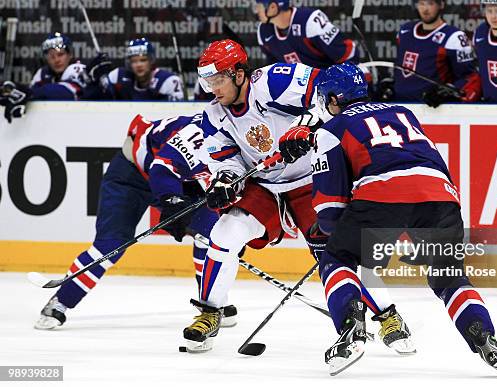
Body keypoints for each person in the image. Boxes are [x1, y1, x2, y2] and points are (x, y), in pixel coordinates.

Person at [182, 39, 414, 354]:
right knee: (225, 231)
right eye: (208, 81)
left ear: (239, 73)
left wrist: (304, 126)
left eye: (218, 79)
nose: (213, 88)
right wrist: (225, 180)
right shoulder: (213, 114)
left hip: (309, 180)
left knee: (336, 250)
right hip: (264, 186)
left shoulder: (273, 80)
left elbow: (326, 88)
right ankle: (211, 312)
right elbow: (225, 159)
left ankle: (387, 315)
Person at [287, 62, 497, 376]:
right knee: (449, 278)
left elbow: (329, 213)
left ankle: (351, 328)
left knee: (335, 257)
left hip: (382, 195)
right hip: (441, 197)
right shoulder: (403, 113)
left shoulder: (331, 129)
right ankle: (487, 339)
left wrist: (342, 238)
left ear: (332, 99)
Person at [34, 114, 237, 330]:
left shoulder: (237, 139)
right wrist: (172, 201)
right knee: (110, 244)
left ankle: (211, 306)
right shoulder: (201, 135)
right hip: (131, 175)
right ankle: (60, 301)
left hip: (181, 178)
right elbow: (162, 169)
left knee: (211, 234)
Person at [392, 0, 481, 106]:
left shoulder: (454, 37)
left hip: (433, 111)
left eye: (430, 3)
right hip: (399, 106)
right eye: (421, 3)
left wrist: (447, 92)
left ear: (441, 5)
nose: (425, 9)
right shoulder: (405, 31)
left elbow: (469, 78)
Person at [1, 33, 93, 123]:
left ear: (70, 55)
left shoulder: (78, 68)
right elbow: (29, 94)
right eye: (51, 56)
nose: (56, 60)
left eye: (60, 55)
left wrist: (29, 93)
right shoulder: (42, 73)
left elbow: (67, 92)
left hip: (79, 123)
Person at [255, 0, 357, 68]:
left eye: (259, 6)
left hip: (329, 89)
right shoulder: (263, 31)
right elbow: (273, 66)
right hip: (298, 93)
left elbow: (346, 53)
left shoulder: (310, 20)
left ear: (273, 7)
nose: (256, 11)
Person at [91, 38, 185, 101]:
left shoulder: (169, 81)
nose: (138, 65)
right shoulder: (118, 76)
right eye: (134, 61)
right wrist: (95, 82)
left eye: (143, 60)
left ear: (151, 61)